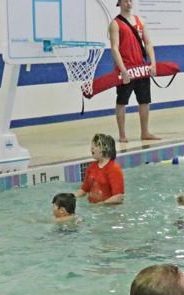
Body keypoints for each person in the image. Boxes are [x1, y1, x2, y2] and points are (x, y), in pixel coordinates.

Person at [109, 0, 160, 143]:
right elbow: (114, 48)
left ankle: (145, 132)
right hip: (126, 70)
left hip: (141, 68)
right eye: (125, 1)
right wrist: (123, 70)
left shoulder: (140, 21)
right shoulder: (115, 23)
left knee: (144, 101)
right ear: (120, 3)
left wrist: (153, 63)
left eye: (130, 0)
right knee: (122, 102)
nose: (129, 3)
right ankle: (122, 134)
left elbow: (148, 43)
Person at [74, 134, 124, 205]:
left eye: (96, 146)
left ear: (105, 149)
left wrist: (101, 205)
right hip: (94, 208)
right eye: (92, 146)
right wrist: (71, 198)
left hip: (109, 209)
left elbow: (118, 197)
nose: (91, 148)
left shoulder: (114, 169)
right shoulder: (91, 168)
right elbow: (84, 190)